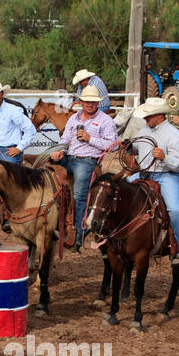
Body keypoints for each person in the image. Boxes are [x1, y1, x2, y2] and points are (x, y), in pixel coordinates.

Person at [50, 85, 117, 250]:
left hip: (87, 160)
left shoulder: (105, 120)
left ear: (97, 103)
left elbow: (113, 145)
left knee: (80, 196)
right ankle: (50, 221)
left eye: (93, 102)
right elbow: (65, 138)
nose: (90, 104)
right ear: (81, 102)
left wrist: (90, 138)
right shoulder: (74, 118)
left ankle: (78, 237)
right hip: (69, 157)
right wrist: (59, 150)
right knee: (44, 170)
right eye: (87, 101)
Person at [128, 97, 179, 267]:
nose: (146, 119)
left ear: (159, 115)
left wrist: (164, 157)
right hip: (146, 174)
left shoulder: (174, 135)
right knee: (120, 189)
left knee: (175, 211)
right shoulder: (144, 131)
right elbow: (138, 148)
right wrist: (128, 146)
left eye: (149, 116)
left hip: (167, 175)